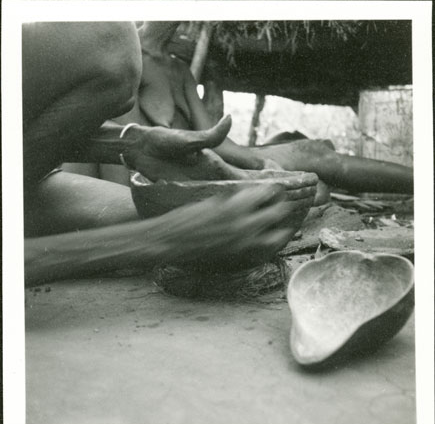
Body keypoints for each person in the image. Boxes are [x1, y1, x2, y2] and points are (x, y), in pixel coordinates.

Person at [23, 22, 309, 287]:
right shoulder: (122, 46)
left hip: (29, 184)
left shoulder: (176, 70)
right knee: (110, 40)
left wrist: (132, 144)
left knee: (206, 229)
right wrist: (157, 239)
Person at [86, 21, 413, 195]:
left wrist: (262, 163)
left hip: (212, 161)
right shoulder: (125, 59)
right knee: (316, 192)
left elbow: (220, 144)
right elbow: (123, 166)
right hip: (174, 177)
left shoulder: (176, 69)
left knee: (316, 152)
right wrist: (249, 177)